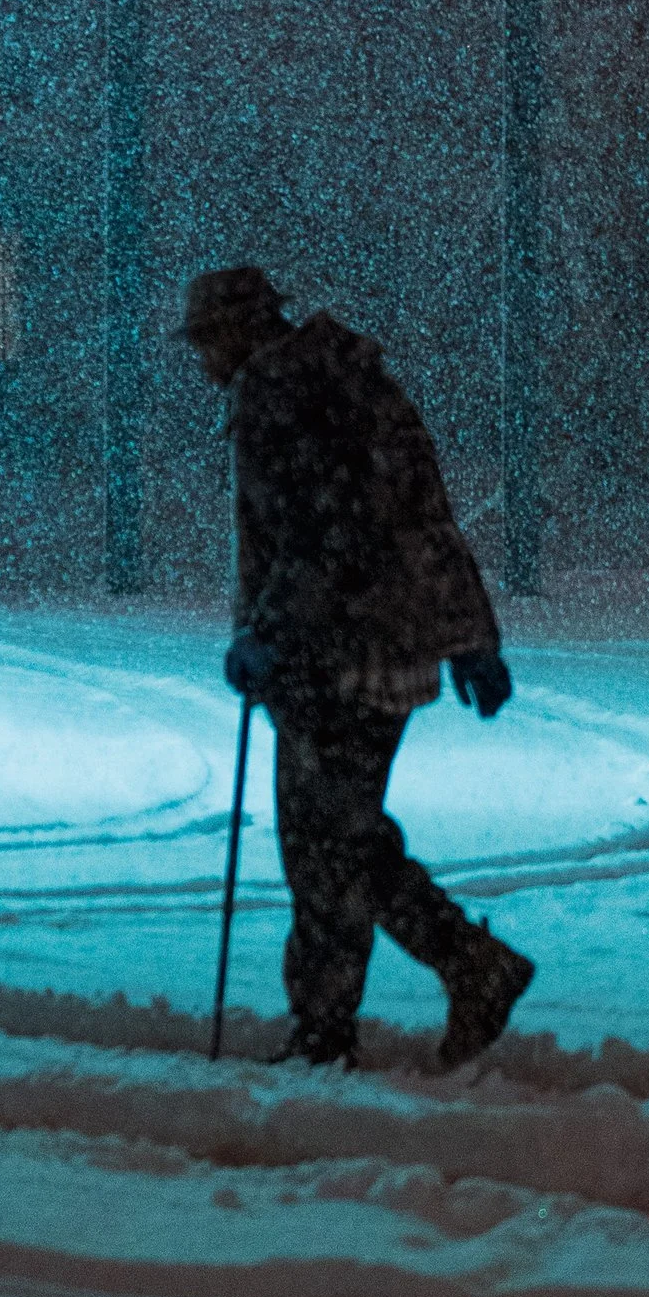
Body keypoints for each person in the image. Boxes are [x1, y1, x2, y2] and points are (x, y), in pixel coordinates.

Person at [179, 264, 535, 1073]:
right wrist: (470, 636)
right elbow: (424, 515)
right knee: (343, 838)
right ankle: (424, 985)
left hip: (332, 656)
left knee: (322, 846)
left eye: (204, 340)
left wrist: (264, 631)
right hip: (393, 649)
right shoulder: (353, 381)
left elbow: (317, 536)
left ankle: (355, 1017)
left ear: (239, 330)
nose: (201, 361)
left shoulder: (280, 395)